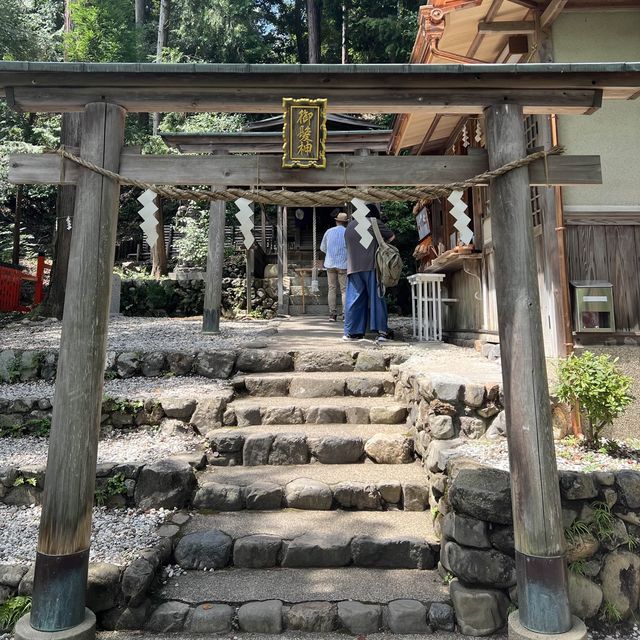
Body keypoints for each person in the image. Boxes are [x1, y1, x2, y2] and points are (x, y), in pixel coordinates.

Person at [343, 204, 395, 341]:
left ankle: (352, 332)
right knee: (377, 298)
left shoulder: (349, 226)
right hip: (371, 266)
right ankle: (381, 332)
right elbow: (391, 237)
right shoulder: (374, 222)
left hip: (353, 267)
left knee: (354, 300)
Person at [319, 211, 348, 322]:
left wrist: (330, 253)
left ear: (336, 221)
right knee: (344, 290)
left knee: (332, 288)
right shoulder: (347, 232)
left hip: (330, 263)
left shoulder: (329, 231)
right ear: (345, 223)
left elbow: (322, 248)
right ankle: (345, 314)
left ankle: (332, 314)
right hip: (343, 264)